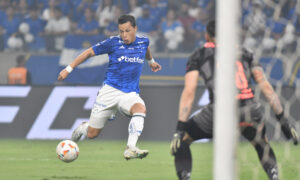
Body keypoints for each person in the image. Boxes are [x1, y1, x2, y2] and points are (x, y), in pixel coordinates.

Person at [170, 20, 298, 180]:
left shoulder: (199, 54)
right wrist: (283, 121)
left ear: (207, 35)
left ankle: (184, 177)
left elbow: (189, 91)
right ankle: (274, 177)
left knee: (183, 139)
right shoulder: (245, 52)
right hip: (249, 109)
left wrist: (179, 128)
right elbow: (266, 87)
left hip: (220, 111)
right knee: (262, 143)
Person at [58, 14, 162, 160]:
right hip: (109, 92)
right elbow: (88, 53)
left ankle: (130, 148)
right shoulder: (112, 43)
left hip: (130, 93)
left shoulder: (143, 41)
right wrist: (68, 69)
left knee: (140, 109)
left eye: (127, 31)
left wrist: (151, 62)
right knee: (93, 134)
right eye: (121, 31)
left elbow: (146, 49)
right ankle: (83, 128)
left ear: (135, 29)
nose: (124, 35)